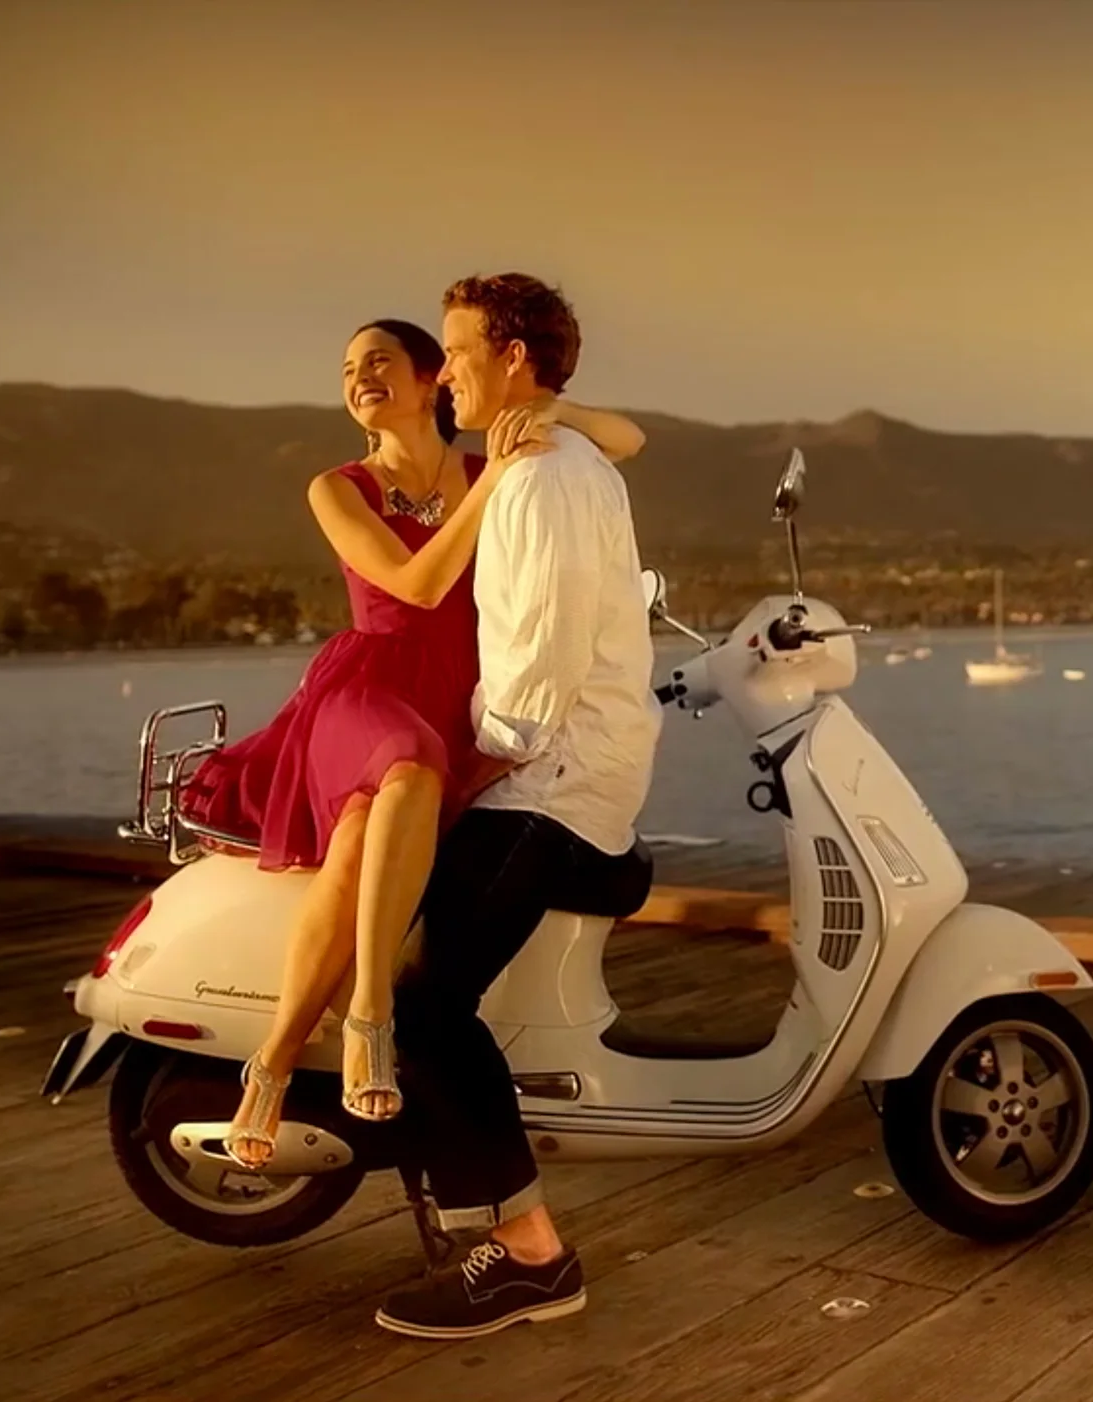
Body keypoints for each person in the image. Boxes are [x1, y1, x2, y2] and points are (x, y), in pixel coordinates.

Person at [177, 316, 648, 1170]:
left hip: (453, 695)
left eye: (380, 361)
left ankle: (271, 1065)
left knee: (365, 836)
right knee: (408, 770)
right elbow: (414, 586)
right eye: (348, 368)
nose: (359, 376)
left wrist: (554, 416)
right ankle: (370, 1015)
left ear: (434, 380)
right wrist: (493, 478)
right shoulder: (340, 487)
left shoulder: (484, 460)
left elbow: (629, 438)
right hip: (368, 688)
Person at [373, 273, 662, 1339]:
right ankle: (472, 1202)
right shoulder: (557, 458)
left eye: (456, 352)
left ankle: (531, 1257)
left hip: (551, 786)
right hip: (569, 771)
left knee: (422, 998)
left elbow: (535, 676)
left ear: (512, 358)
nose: (444, 371)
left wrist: (461, 773)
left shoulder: (538, 478)